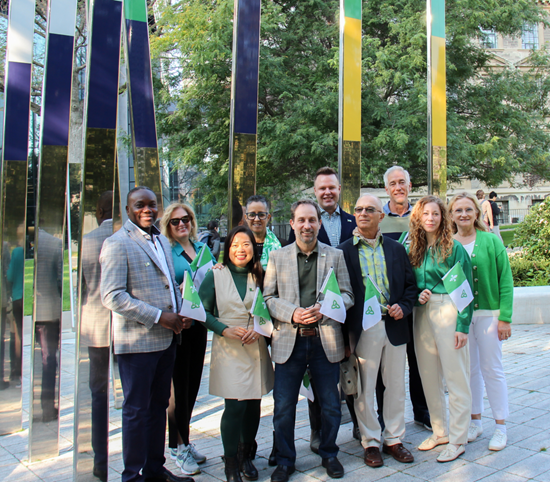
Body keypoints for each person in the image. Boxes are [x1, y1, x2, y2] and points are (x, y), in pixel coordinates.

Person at [100, 186, 193, 482]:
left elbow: (167, 284)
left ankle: (155, 470)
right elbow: (113, 296)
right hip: (137, 344)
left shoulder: (161, 241)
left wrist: (180, 312)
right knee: (137, 412)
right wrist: (159, 317)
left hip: (167, 341)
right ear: (128, 210)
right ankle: (132, 476)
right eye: (139, 205)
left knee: (158, 408)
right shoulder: (117, 243)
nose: (147, 209)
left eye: (152, 204)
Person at [264, 200, 354, 482]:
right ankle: (285, 460)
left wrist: (328, 307)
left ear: (319, 223)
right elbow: (267, 298)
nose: (307, 225)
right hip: (289, 341)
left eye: (312, 220)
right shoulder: (277, 257)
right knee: (284, 406)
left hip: (324, 341)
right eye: (301, 220)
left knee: (329, 405)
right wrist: (293, 313)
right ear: (292, 223)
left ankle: (329, 452)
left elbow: (349, 295)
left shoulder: (335, 256)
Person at [339, 194, 417, 468]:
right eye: (358, 209)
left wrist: (403, 308)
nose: (362, 214)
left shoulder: (396, 249)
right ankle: (370, 442)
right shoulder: (343, 251)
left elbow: (410, 287)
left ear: (380, 216)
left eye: (369, 209)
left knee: (395, 386)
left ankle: (394, 439)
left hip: (394, 325)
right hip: (363, 329)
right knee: (364, 389)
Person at [288, 167, 359, 449]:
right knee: (316, 380)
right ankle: (317, 432)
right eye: (322, 188)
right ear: (315, 192)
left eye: (332, 187)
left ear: (339, 189)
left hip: (347, 312)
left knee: (353, 375)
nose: (327, 192)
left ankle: (358, 424)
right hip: (315, 321)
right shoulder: (305, 226)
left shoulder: (356, 220)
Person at [198, 226, 274, 482]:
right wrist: (222, 329)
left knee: (253, 404)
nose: (240, 250)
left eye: (246, 245)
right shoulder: (215, 275)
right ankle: (230, 463)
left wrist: (260, 329)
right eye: (234, 245)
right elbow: (201, 311)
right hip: (228, 347)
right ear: (227, 249)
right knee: (234, 407)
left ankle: (246, 455)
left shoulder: (261, 275)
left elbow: (271, 306)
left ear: (254, 248)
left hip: (255, 347)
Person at [408, 195, 473, 463]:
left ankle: (458, 439)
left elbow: (465, 291)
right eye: (426, 214)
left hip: (448, 308)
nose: (431, 219)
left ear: (442, 217)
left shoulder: (453, 248)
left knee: (456, 378)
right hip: (422, 314)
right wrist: (415, 296)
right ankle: (440, 431)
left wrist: (462, 326)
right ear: (418, 219)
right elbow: (406, 282)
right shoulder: (412, 248)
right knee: (428, 376)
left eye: (435, 214)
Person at [449, 192, 513, 452]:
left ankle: (501, 426)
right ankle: (475, 420)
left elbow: (506, 280)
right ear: (451, 215)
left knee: (492, 369)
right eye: (458, 210)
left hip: (489, 315)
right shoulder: (448, 243)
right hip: (460, 318)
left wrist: (505, 318)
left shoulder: (490, 241)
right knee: (470, 371)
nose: (463, 214)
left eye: (468, 209)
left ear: (477, 213)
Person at [160, 202, 215, 476]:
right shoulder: (167, 252)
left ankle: (186, 440)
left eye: (186, 219)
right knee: (177, 390)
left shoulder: (203, 249)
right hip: (179, 326)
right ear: (168, 225)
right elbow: (165, 286)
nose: (182, 224)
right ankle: (176, 446)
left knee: (192, 387)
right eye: (175, 221)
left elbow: (214, 280)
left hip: (200, 325)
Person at [379, 166, 432, 431]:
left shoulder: (422, 216)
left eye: (402, 182)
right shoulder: (378, 218)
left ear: (409, 186)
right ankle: (384, 418)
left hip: (418, 301)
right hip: (390, 305)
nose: (398, 187)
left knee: (419, 359)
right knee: (386, 365)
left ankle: (422, 411)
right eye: (393, 183)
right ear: (386, 189)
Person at [80, 191, 114, 481]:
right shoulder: (129, 237)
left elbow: (81, 288)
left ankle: (100, 461)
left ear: (100, 210)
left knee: (98, 394)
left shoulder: (88, 241)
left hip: (96, 327)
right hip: (127, 327)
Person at [244, 195, 284, 269]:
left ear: (268, 217)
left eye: (261, 215)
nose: (256, 219)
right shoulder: (238, 247)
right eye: (252, 215)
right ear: (246, 218)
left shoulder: (282, 246)